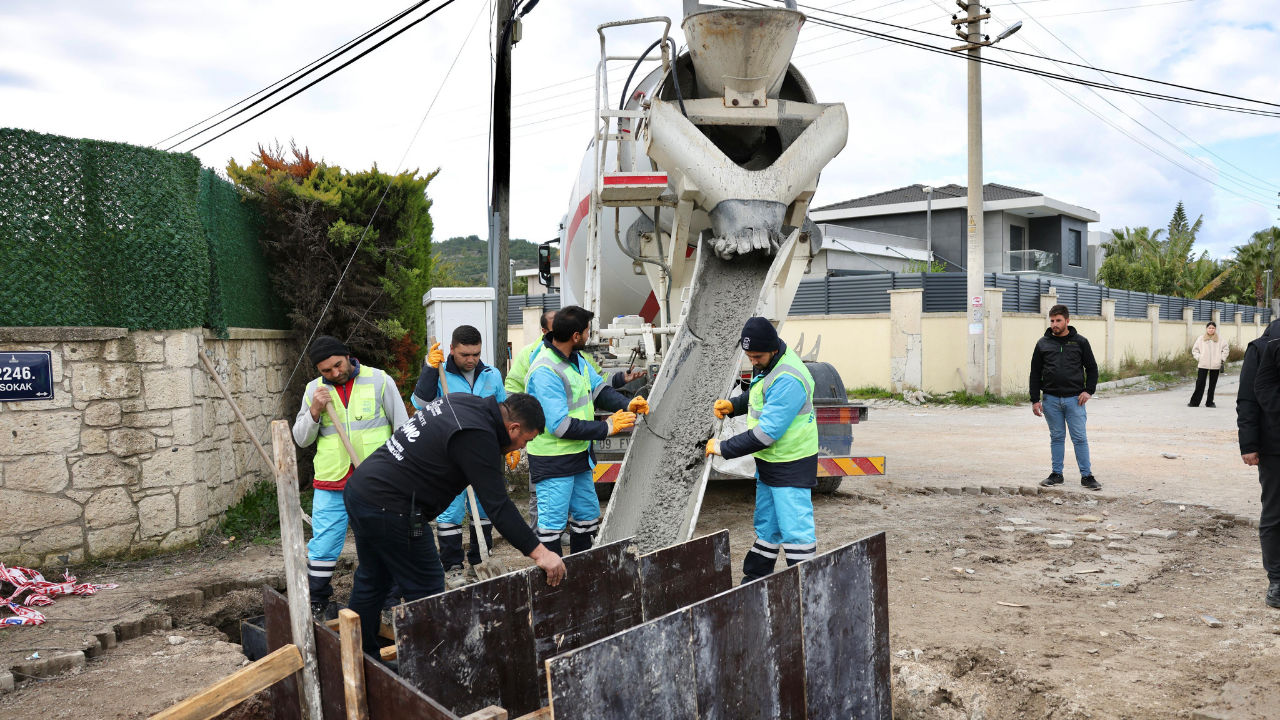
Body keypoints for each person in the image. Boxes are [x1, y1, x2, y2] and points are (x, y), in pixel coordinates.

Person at [343, 392, 566, 656]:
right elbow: (498, 506)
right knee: (427, 588)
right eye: (524, 441)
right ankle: (427, 671)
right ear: (513, 427)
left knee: (373, 578)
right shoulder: (477, 434)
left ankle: (360, 660)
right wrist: (541, 553)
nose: (521, 448)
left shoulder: (467, 402)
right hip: (394, 509)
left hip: (363, 491)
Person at [292, 336, 409, 620]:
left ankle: (389, 602)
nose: (334, 374)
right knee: (323, 544)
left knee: (383, 539)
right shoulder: (313, 391)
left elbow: (404, 428)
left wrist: (401, 473)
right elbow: (301, 438)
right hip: (332, 482)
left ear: (348, 356)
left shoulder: (379, 381)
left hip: (375, 481)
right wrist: (315, 411)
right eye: (326, 371)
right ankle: (317, 601)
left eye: (337, 366)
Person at [525, 305, 649, 556]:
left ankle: (582, 578)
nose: (588, 335)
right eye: (587, 332)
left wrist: (628, 404)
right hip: (553, 461)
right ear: (575, 337)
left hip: (578, 457)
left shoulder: (576, 360)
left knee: (587, 519)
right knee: (551, 529)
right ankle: (555, 589)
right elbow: (560, 426)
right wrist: (607, 427)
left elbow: (599, 390)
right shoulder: (545, 371)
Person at [706, 317, 819, 584]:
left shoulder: (789, 377)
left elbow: (766, 434)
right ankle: (755, 583)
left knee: (796, 533)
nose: (753, 361)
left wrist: (723, 448)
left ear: (772, 348)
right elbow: (760, 394)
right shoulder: (772, 364)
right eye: (749, 356)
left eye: (757, 356)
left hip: (791, 465)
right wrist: (734, 405)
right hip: (771, 465)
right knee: (767, 528)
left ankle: (808, 590)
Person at [411, 324, 513, 584]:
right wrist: (429, 370)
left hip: (484, 453)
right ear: (452, 349)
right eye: (465, 354)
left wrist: (509, 446)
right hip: (449, 456)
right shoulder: (439, 373)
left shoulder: (492, 375)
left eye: (476, 354)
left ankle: (479, 561)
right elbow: (420, 405)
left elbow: (503, 412)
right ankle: (453, 566)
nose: (471, 360)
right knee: (451, 512)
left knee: (485, 507)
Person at [1030, 305, 1101, 491]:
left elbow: (1092, 369)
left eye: (1058, 320)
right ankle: (1056, 474)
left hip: (1075, 400)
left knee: (1079, 438)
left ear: (1067, 321)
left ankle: (1087, 476)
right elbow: (1035, 373)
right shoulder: (1042, 344)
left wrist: (1088, 391)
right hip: (1050, 400)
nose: (1054, 324)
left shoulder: (1080, 342)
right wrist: (1034, 399)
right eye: (1052, 321)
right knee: (1057, 437)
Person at [1239, 318, 1280, 608]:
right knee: (1275, 513)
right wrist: (1249, 444)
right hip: (1274, 444)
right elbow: (1248, 398)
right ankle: (1276, 580)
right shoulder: (1262, 347)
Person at [1189, 321, 1231, 408]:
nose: (1211, 330)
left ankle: (1210, 402)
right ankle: (1194, 402)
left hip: (1216, 365)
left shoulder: (1220, 339)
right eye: (1209, 328)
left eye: (1213, 328)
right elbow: (1195, 350)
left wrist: (1222, 358)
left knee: (1212, 384)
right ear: (1206, 328)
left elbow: (1226, 349)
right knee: (1200, 383)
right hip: (1203, 364)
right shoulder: (1200, 339)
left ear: (1215, 329)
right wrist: (1199, 357)